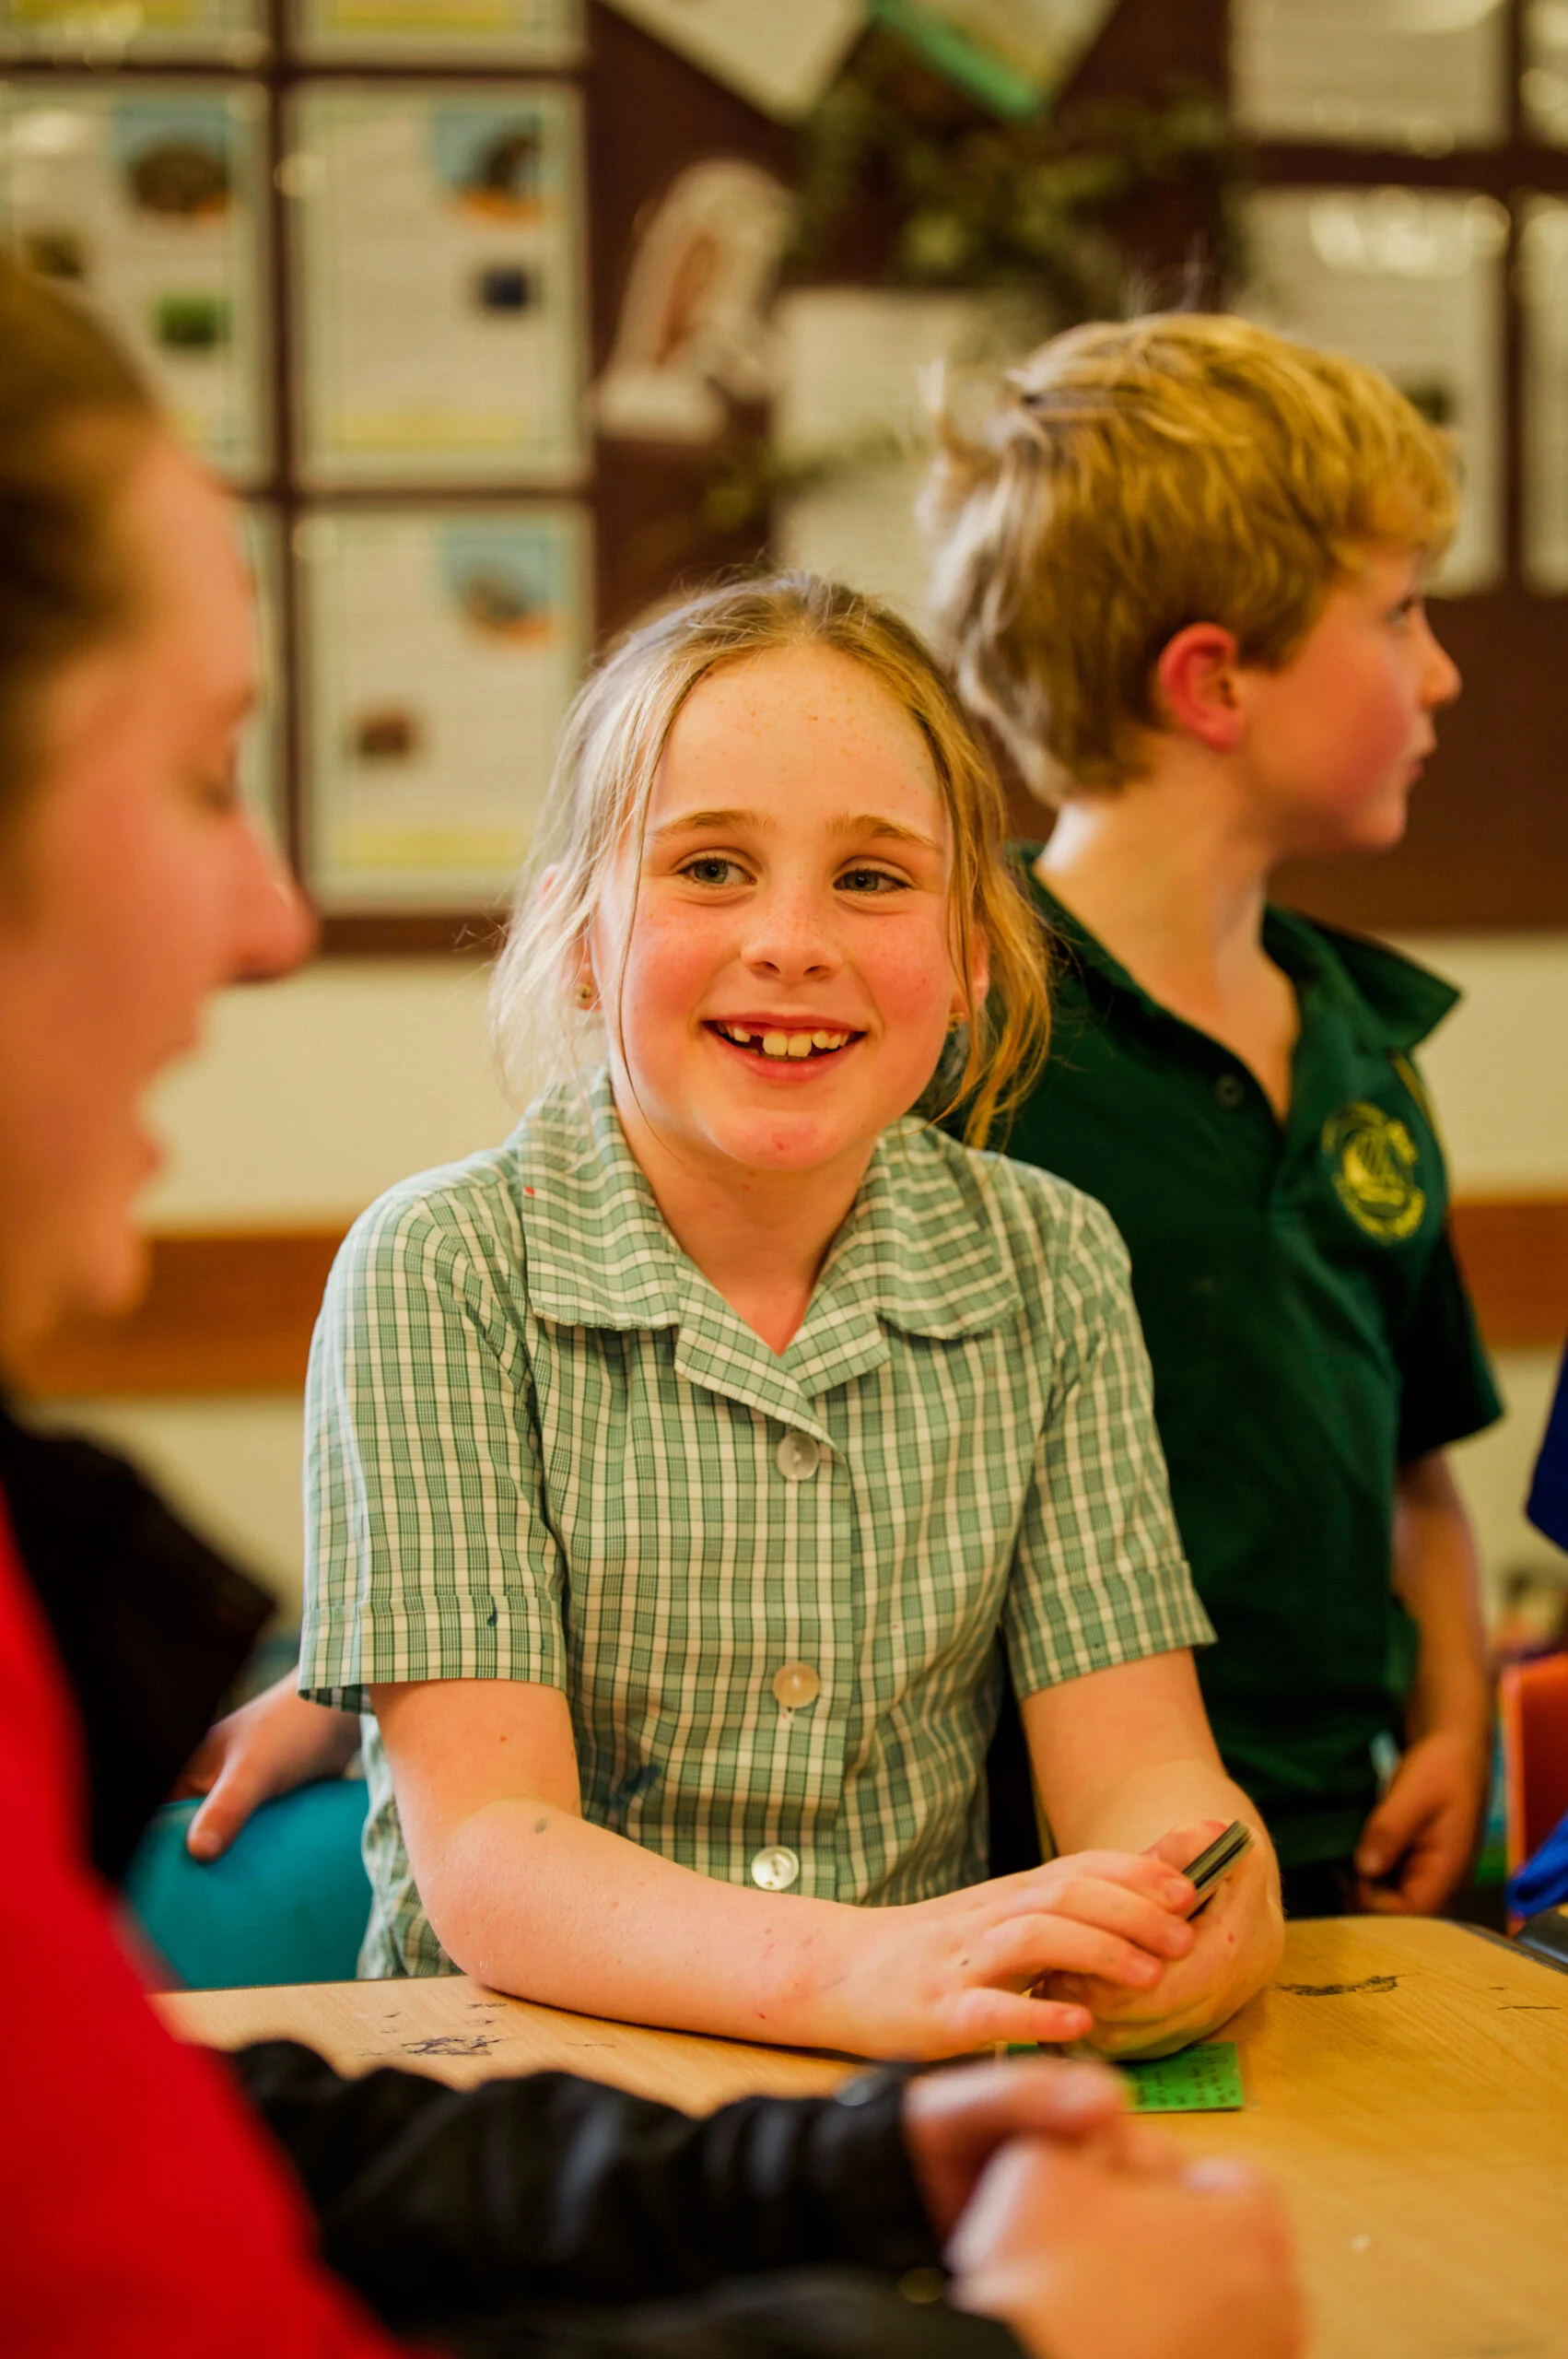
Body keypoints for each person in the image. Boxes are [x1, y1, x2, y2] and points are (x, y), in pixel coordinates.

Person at [0, 256, 1306, 2359]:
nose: (790, 939)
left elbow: (1152, 1772)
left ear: (973, 955)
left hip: (905, 2099)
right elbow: (497, 1849)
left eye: (873, 877)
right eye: (708, 867)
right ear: (580, 941)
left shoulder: (1049, 1256)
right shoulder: (444, 1264)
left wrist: (1183, 1914)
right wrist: (883, 1975)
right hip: (532, 2119)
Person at [923, 311, 1502, 1920]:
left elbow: (1415, 1460)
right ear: (1211, 680)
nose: (1440, 667)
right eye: (1395, 615)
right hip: (1031, 1880)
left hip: (1340, 1857)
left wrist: (1451, 1716)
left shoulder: (1368, 1041)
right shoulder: (958, 1026)